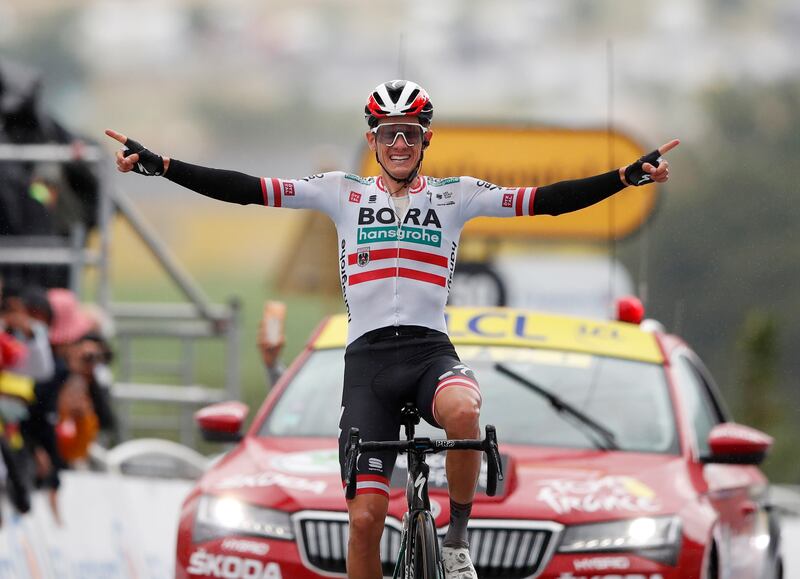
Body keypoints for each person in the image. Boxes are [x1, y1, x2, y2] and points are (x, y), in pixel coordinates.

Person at [106, 79, 678, 579]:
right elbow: (247, 188)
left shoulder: (457, 195)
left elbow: (547, 201)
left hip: (431, 353)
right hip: (369, 366)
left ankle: (455, 540)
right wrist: (163, 166)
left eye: (409, 132)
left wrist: (624, 176)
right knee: (364, 522)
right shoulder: (341, 192)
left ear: (426, 139)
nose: (398, 143)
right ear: (373, 141)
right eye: (387, 133)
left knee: (465, 414)